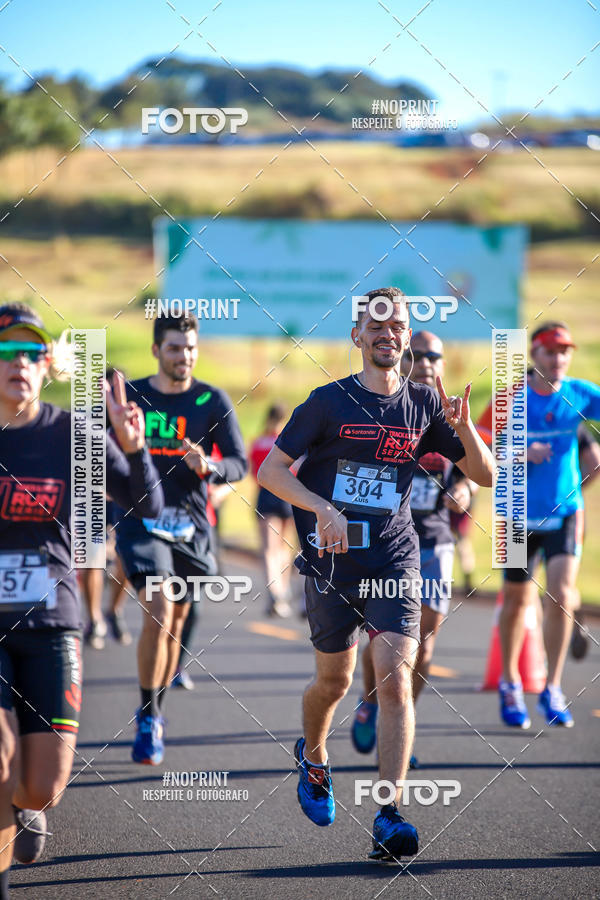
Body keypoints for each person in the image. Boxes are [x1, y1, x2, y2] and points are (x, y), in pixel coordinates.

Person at [258, 288, 494, 861]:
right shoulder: (327, 402)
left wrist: (463, 430)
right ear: (358, 337)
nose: (388, 334)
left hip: (395, 556)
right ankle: (313, 756)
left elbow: (484, 477)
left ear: (408, 338)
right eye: (376, 325)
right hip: (332, 561)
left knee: (392, 673)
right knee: (334, 684)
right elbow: (270, 471)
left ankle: (389, 816)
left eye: (398, 326)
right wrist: (322, 507)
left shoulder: (424, 404)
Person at [0, 303, 162, 893]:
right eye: (5, 352)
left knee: (42, 784)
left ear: (47, 366)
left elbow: (148, 506)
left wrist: (133, 445)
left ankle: (25, 805)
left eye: (30, 352)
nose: (18, 362)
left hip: (51, 622)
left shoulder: (73, 435)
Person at [114, 311, 247, 765]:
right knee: (160, 602)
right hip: (141, 520)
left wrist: (210, 468)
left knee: (176, 625)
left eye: (190, 348)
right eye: (174, 348)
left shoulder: (212, 399)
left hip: (191, 525)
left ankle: (156, 710)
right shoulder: (133, 397)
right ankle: (148, 716)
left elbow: (239, 463)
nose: (184, 356)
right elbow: (99, 450)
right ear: (156, 350)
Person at [350, 331, 477, 767]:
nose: (425, 361)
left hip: (435, 541)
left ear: (442, 362)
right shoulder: (390, 406)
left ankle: (403, 716)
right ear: (404, 357)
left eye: (433, 355)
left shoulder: (450, 412)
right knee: (385, 637)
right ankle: (373, 702)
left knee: (424, 642)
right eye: (417, 353)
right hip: (388, 542)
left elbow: (472, 473)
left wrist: (463, 494)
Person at [498, 322, 600, 728]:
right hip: (517, 515)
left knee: (560, 594)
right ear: (534, 357)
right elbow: (484, 452)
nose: (558, 359)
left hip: (566, 513)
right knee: (517, 602)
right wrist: (522, 450)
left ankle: (552, 686)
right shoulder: (512, 399)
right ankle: (509, 682)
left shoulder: (580, 393)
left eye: (564, 352)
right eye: (550, 352)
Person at [250, 404, 296, 618]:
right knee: (285, 546)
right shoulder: (288, 442)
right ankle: (282, 591)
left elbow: (254, 473)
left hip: (267, 493)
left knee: (269, 548)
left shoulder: (258, 443)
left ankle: (275, 593)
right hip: (288, 492)